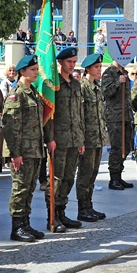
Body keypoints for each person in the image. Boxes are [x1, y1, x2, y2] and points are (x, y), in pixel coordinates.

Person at [2, 55, 47, 242]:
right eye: (33, 70)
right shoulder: (17, 93)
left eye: (37, 69)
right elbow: (11, 127)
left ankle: (26, 223)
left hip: (34, 149)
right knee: (20, 188)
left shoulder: (33, 92)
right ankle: (17, 227)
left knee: (29, 188)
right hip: (22, 151)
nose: (36, 72)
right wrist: (15, 153)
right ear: (22, 72)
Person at [42, 46, 85, 233]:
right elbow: (48, 115)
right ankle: (52, 216)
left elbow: (79, 113)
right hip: (58, 139)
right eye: (69, 62)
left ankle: (62, 212)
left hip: (74, 139)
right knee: (56, 179)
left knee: (68, 178)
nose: (72, 65)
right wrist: (49, 139)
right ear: (60, 62)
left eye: (74, 62)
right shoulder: (53, 84)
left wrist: (81, 139)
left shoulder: (76, 84)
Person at [78, 54, 109, 221]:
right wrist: (81, 139)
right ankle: (82, 209)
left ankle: (89, 205)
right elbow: (79, 116)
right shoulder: (82, 87)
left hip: (98, 137)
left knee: (93, 174)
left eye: (100, 66)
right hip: (87, 139)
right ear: (88, 68)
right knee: (85, 174)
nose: (99, 69)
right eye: (96, 67)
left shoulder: (97, 87)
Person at [100, 60, 134, 190]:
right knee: (116, 148)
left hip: (126, 116)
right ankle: (113, 178)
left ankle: (119, 175)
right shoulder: (109, 73)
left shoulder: (124, 72)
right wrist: (118, 82)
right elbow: (106, 92)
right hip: (115, 117)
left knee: (125, 147)